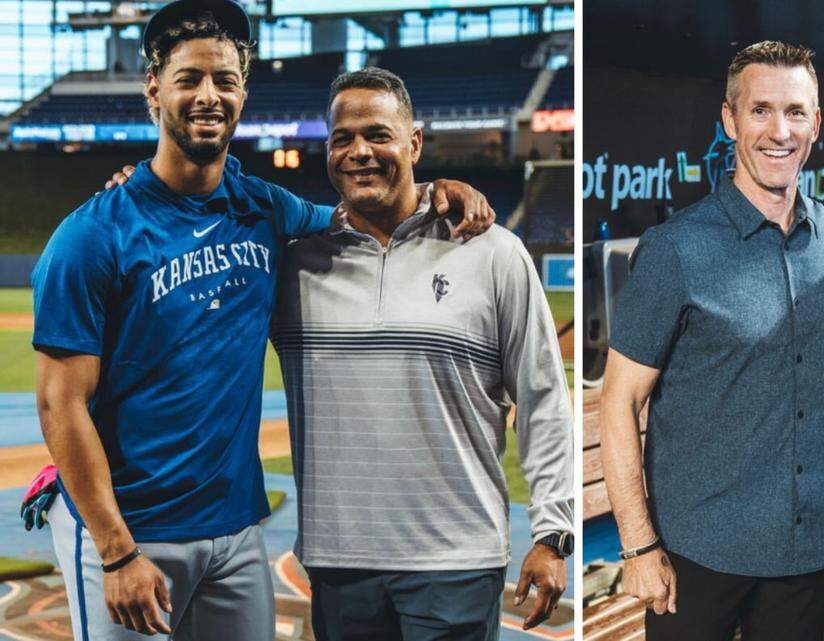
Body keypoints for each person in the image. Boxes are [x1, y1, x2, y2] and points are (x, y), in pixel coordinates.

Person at [31, 1, 491, 639]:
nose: (208, 95)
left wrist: (437, 187)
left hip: (236, 531)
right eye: (189, 78)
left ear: (243, 91)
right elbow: (60, 406)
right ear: (153, 87)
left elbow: (362, 216)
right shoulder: (90, 237)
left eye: (224, 79)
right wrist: (116, 551)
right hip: (133, 536)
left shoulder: (265, 208)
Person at [270, 66, 574, 641]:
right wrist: (144, 189)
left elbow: (543, 398)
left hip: (455, 563)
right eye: (343, 139)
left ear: (414, 143)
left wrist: (553, 531)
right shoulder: (295, 265)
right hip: (339, 564)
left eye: (378, 135)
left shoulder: (492, 253)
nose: (360, 151)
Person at [599, 41, 824, 641]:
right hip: (697, 555)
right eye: (760, 110)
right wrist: (638, 547)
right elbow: (620, 402)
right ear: (729, 119)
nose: (779, 131)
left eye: (795, 112)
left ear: (816, 124)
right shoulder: (675, 249)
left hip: (806, 548)